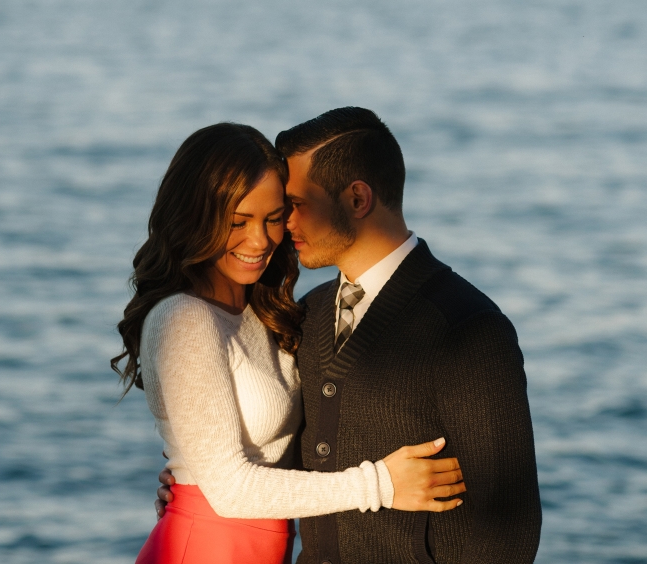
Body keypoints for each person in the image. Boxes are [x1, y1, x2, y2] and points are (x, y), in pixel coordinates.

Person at [157, 108, 542, 563]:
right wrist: (194, 480)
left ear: (358, 199)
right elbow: (294, 458)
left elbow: (508, 533)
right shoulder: (307, 316)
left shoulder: (467, 328)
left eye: (292, 208)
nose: (281, 231)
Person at [113, 122, 466, 564]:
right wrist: (381, 484)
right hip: (209, 547)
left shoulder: (260, 309)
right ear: (195, 217)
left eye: (273, 218)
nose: (260, 241)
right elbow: (230, 490)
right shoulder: (183, 318)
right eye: (238, 222)